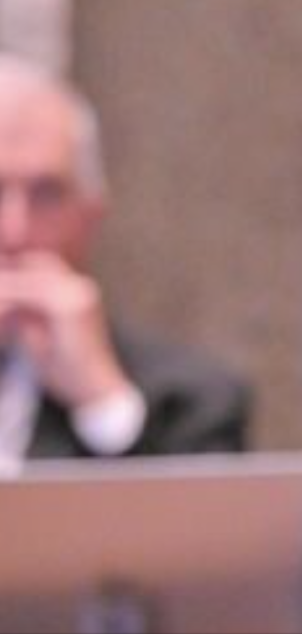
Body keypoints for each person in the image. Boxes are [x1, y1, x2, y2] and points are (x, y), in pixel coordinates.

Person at [0, 54, 250, 465]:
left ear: (89, 214)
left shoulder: (193, 403)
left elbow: (200, 527)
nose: (13, 230)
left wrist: (102, 401)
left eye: (45, 194)